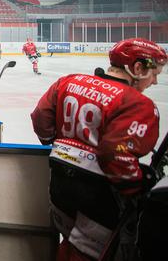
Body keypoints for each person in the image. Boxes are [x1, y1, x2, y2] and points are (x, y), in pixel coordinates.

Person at [30, 38, 166, 261]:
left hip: (59, 185)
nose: (155, 81)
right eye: (154, 73)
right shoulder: (138, 103)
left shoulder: (69, 82)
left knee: (68, 242)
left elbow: (40, 118)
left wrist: (51, 141)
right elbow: (115, 153)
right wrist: (136, 187)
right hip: (97, 193)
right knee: (87, 253)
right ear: (138, 68)